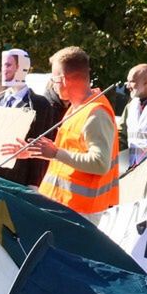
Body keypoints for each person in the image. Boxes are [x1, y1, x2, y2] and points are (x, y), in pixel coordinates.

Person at [35, 47, 120, 215]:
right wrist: (34, 151)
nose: (52, 85)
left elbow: (100, 163)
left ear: (64, 80)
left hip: (83, 213)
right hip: (64, 206)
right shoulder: (78, 108)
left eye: (54, 79)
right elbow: (67, 152)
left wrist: (55, 153)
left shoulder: (96, 113)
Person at [0, 47, 61, 187]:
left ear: (21, 67)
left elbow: (41, 145)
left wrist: (34, 184)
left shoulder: (40, 104)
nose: (4, 70)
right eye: (3, 65)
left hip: (16, 180)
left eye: (8, 65)